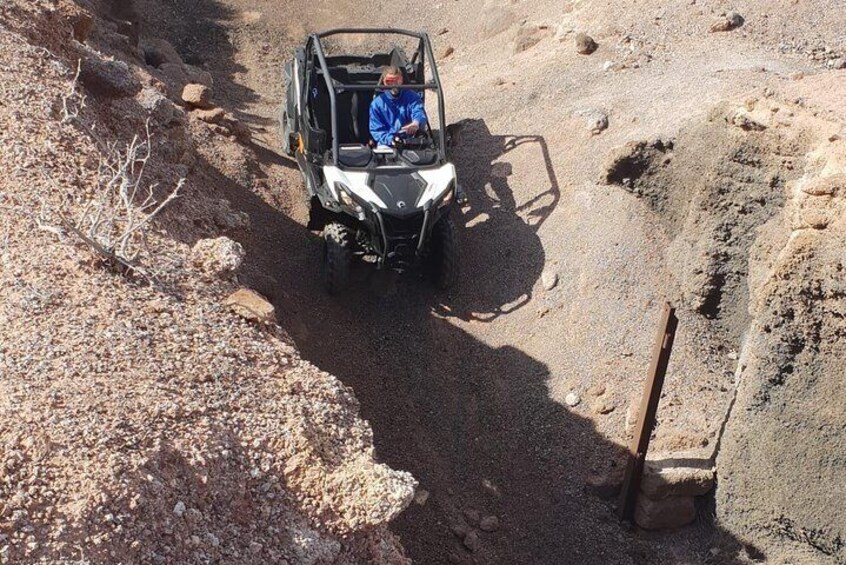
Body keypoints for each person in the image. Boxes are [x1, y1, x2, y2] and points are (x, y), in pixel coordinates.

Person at [369, 66, 428, 147]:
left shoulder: (411, 96)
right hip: (387, 144)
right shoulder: (377, 104)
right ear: (384, 82)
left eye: (397, 81)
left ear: (402, 80)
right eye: (389, 81)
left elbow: (418, 111)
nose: (393, 85)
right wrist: (391, 139)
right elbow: (376, 130)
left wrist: (416, 123)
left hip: (410, 140)